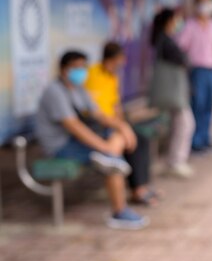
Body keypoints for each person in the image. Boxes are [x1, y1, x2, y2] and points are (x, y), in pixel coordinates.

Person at [35, 51, 148, 230]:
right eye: (76, 68)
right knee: (112, 159)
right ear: (64, 69)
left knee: (117, 138)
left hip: (76, 141)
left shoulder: (79, 89)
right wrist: (106, 148)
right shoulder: (54, 92)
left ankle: (118, 168)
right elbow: (74, 127)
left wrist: (122, 127)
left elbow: (99, 115)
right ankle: (119, 212)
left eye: (83, 67)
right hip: (61, 146)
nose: (81, 72)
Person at [85, 41, 161, 206]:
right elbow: (94, 112)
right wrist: (121, 127)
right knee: (122, 144)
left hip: (113, 123)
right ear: (111, 58)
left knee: (140, 138)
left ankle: (141, 187)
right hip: (98, 125)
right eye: (120, 59)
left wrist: (123, 123)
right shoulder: (92, 75)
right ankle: (132, 194)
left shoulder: (112, 77)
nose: (122, 63)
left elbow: (115, 105)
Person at [150, 8, 195, 178]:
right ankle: (176, 161)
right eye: (176, 20)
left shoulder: (164, 40)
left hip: (173, 91)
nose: (178, 24)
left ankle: (175, 160)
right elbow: (183, 60)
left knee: (181, 124)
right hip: (173, 92)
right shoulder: (166, 41)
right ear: (169, 22)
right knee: (184, 123)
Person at [177, 0, 212, 152]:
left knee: (209, 106)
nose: (205, 6)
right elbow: (181, 47)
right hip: (196, 70)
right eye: (202, 2)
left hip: (211, 69)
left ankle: (205, 138)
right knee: (198, 104)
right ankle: (195, 142)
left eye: (208, 2)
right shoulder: (190, 25)